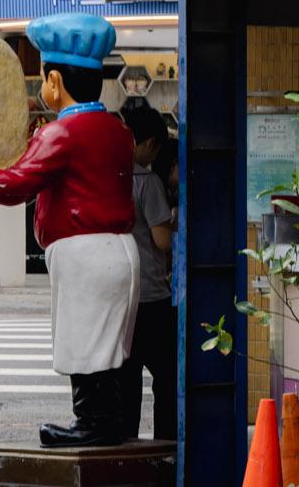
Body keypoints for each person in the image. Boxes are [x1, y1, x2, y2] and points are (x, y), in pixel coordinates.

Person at [0, 12, 139, 448]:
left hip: (84, 252)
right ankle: (107, 420)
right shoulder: (116, 129)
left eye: (43, 80)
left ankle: (92, 423)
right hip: (122, 250)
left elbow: (19, 184)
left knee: (84, 339)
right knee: (107, 343)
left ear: (54, 80)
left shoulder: (63, 132)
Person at [117, 101, 177, 440]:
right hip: (151, 296)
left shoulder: (112, 177)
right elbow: (162, 241)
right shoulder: (147, 181)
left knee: (126, 380)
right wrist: (174, 220)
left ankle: (126, 446)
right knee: (166, 379)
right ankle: (164, 444)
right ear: (151, 142)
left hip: (121, 296)